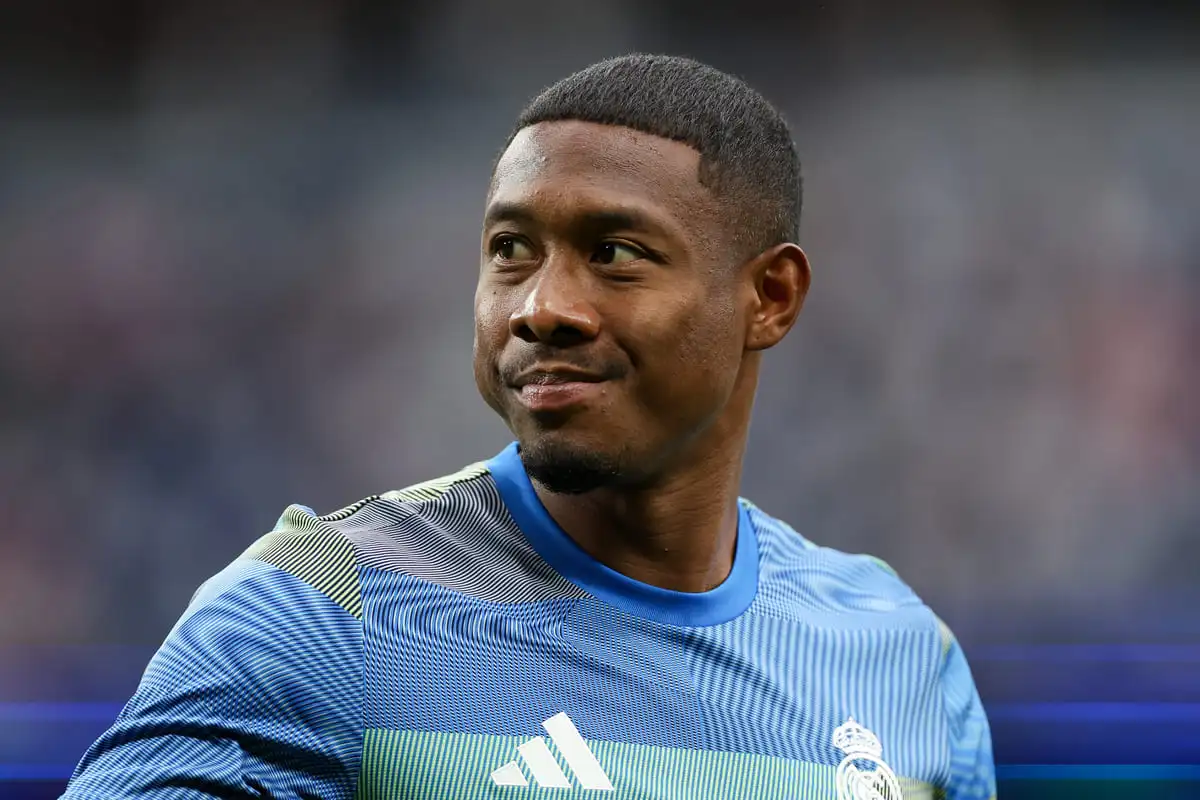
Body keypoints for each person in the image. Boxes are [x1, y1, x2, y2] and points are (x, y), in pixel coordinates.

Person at [63, 54, 995, 799]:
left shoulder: (899, 650)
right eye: (511, 250)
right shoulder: (325, 605)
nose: (542, 306)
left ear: (770, 296)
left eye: (616, 255)